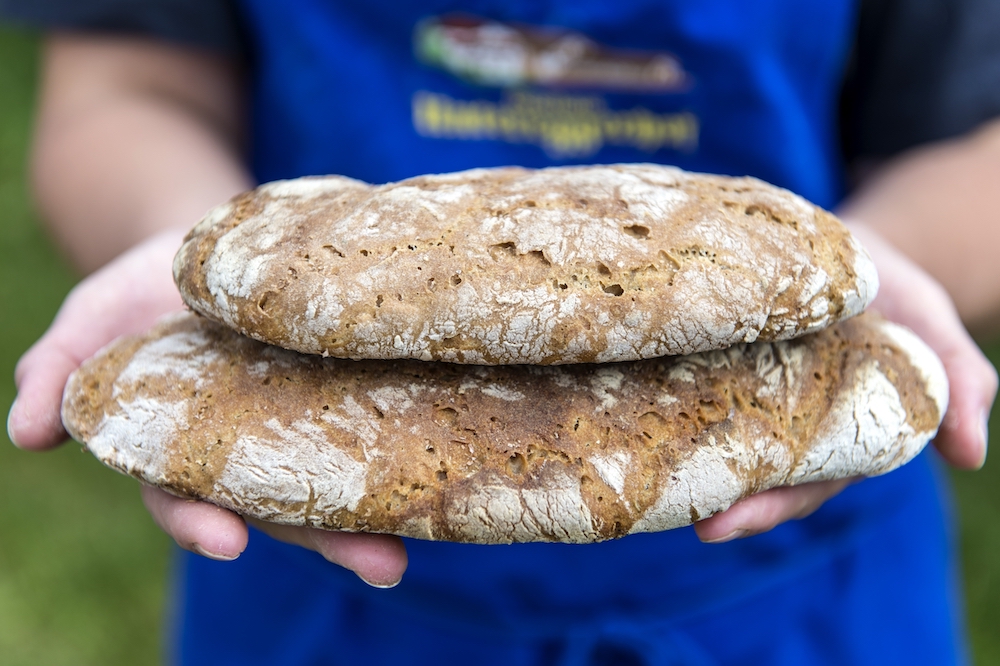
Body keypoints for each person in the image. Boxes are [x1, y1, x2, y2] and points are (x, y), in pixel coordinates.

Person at [3, 1, 999, 664]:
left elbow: (973, 147)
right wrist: (193, 251)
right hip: (315, 545)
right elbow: (126, 89)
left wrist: (878, 259)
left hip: (804, 591)